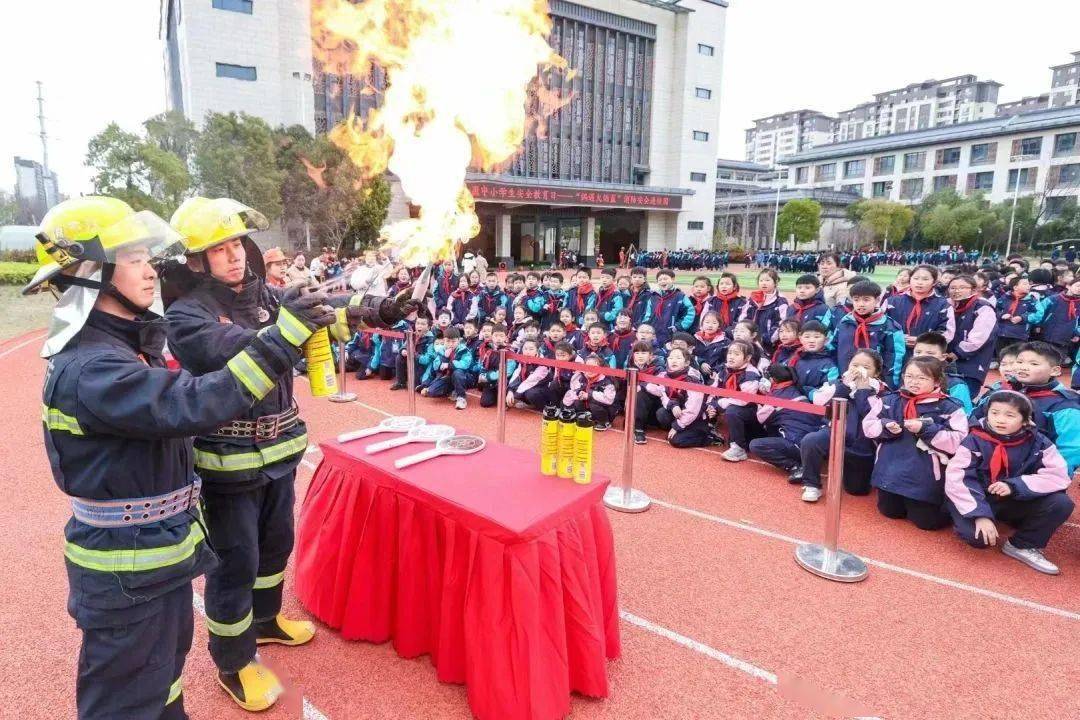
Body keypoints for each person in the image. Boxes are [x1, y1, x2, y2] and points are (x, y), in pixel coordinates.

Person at [27, 196, 336, 719]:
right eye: (133, 259)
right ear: (91, 273)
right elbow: (196, 401)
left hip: (155, 557)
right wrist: (282, 340)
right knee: (128, 700)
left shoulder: (122, 347)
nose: (152, 271)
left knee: (162, 685)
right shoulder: (95, 369)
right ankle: (236, 659)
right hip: (130, 566)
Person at [164, 197, 414, 711]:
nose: (234, 256)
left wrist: (376, 309)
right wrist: (287, 328)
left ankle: (266, 620)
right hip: (229, 458)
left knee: (277, 546)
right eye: (219, 249)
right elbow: (234, 349)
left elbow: (324, 311)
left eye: (237, 244)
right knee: (236, 562)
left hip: (279, 449)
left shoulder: (264, 295)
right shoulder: (186, 315)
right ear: (195, 260)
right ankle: (234, 661)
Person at [944, 391, 1074, 575]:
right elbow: (958, 478)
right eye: (994, 413)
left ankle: (1022, 544)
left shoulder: (1039, 442)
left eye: (1010, 415)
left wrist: (1014, 486)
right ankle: (977, 517)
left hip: (1014, 496)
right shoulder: (974, 439)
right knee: (979, 539)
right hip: (981, 498)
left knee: (1061, 503)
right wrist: (980, 514)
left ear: (1025, 420)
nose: (1000, 420)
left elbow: (1058, 475)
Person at [863, 357, 968, 531]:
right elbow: (868, 426)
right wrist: (885, 426)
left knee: (927, 523)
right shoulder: (890, 400)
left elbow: (959, 440)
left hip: (924, 475)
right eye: (909, 376)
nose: (914, 382)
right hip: (891, 470)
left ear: (936, 380)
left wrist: (926, 428)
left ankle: (951, 506)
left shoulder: (949, 407)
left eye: (922, 378)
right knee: (889, 512)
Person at [799, 349, 884, 502]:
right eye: (855, 365)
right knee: (811, 441)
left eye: (866, 367)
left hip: (861, 444)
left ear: (876, 372)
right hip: (836, 433)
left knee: (857, 490)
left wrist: (862, 391)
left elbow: (868, 413)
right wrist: (844, 387)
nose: (859, 370)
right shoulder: (839, 383)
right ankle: (811, 484)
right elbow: (827, 409)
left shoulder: (882, 392)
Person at [747, 364, 823, 478]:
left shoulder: (778, 397)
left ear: (773, 379)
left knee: (755, 445)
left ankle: (794, 466)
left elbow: (761, 418)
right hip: (815, 444)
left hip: (799, 445)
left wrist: (758, 404)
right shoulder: (798, 390)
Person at [830, 280, 906, 389]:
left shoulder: (890, 327)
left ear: (877, 300)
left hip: (873, 385)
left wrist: (887, 386)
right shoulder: (844, 323)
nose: (861, 304)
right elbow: (833, 349)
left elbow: (895, 360)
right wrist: (836, 378)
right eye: (856, 300)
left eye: (866, 300)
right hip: (844, 381)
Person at [636, 347, 711, 448]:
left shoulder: (692, 379)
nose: (674, 361)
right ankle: (638, 428)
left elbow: (693, 409)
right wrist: (642, 385)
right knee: (660, 412)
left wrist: (677, 427)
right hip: (677, 412)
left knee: (676, 441)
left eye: (678, 358)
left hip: (695, 418)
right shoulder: (665, 375)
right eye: (671, 358)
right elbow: (661, 392)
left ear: (687, 363)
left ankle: (709, 437)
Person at [707, 340, 763, 461]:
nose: (731, 357)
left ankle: (739, 449)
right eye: (730, 353)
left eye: (737, 354)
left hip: (752, 413)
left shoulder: (751, 374)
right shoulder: (724, 370)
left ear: (747, 358)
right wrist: (711, 405)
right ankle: (711, 430)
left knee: (733, 410)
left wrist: (719, 404)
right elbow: (714, 389)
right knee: (708, 404)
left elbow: (743, 400)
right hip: (732, 407)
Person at [946, 274, 998, 398]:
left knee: (963, 399)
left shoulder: (982, 308)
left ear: (973, 290)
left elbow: (979, 338)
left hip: (971, 364)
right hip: (946, 361)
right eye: (952, 288)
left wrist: (956, 353)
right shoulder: (946, 306)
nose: (956, 291)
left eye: (962, 287)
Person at [736, 269, 788, 353]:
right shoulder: (753, 299)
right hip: (749, 340)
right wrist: (746, 334)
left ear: (775, 282)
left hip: (769, 345)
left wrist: (766, 338)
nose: (764, 283)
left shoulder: (780, 301)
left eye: (767, 280)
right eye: (761, 280)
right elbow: (743, 317)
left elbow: (782, 323)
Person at [423, 326, 475, 410]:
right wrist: (445, 357)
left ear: (459, 340)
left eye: (453, 341)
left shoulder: (464, 350)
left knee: (457, 372)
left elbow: (465, 364)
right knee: (432, 392)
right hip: (447, 377)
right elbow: (436, 366)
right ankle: (452, 390)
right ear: (444, 340)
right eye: (447, 341)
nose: (450, 344)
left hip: (465, 377)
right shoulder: (441, 350)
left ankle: (461, 397)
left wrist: (449, 365)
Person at [562, 353, 617, 430]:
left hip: (606, 409)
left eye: (594, 367)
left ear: (600, 367)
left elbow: (609, 400)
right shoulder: (581, 377)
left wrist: (589, 395)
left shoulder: (607, 381)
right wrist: (579, 393)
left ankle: (604, 422)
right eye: (588, 366)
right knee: (577, 401)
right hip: (588, 406)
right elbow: (573, 390)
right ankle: (585, 418)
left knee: (593, 405)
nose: (590, 369)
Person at [652, 269, 696, 346]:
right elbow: (648, 314)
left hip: (672, 334)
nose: (662, 281)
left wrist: (679, 327)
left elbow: (690, 312)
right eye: (660, 280)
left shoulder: (680, 296)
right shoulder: (654, 296)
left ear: (672, 279)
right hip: (656, 333)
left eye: (665, 279)